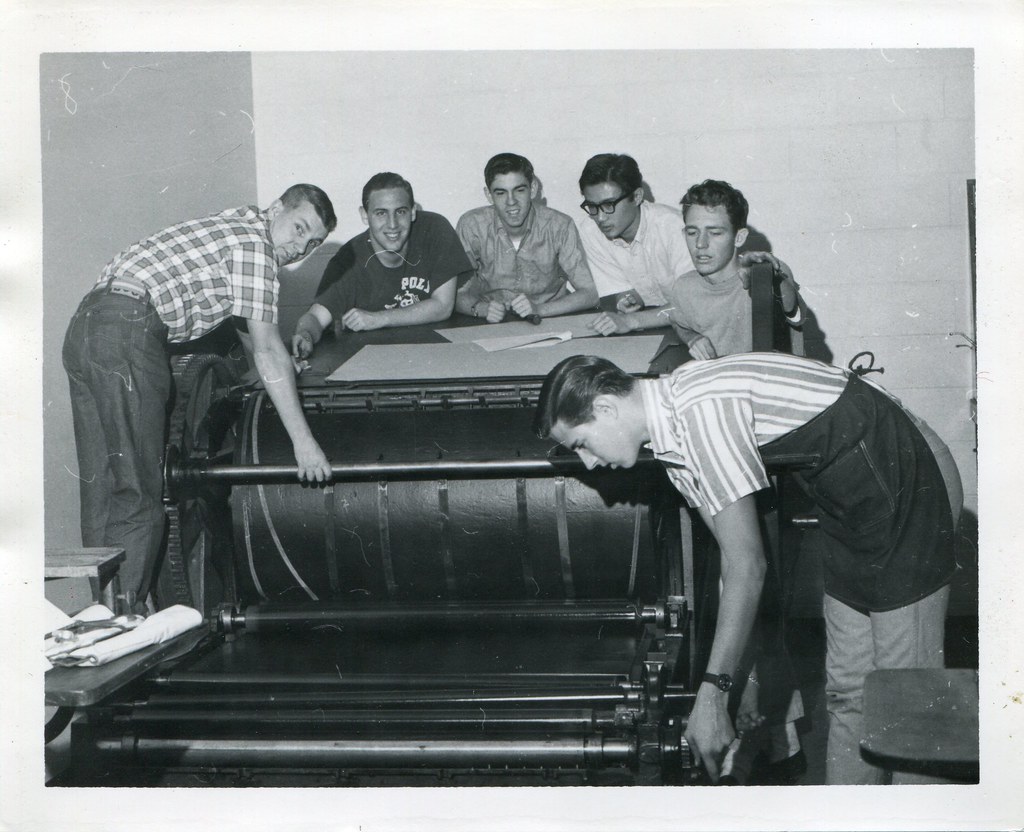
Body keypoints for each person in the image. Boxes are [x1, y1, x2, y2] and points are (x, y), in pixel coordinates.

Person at [534, 352, 961, 785]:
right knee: (850, 691)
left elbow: (748, 565)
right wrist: (743, 677)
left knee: (908, 706)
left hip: (907, 477)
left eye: (581, 444)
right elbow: (731, 559)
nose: (587, 463)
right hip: (853, 500)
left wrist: (714, 695)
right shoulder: (669, 438)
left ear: (606, 407)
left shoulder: (700, 411)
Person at [62, 184, 338, 613]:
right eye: (299, 228)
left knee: (104, 489)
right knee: (139, 491)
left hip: (87, 328)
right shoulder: (256, 246)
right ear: (277, 208)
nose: (299, 248)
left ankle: (102, 615)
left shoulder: (233, 226)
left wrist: (278, 367)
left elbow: (255, 342)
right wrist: (305, 445)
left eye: (312, 243)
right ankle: (124, 623)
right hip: (130, 334)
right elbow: (265, 351)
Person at [292, 173, 474, 359]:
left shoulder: (435, 229)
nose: (392, 224)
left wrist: (378, 318)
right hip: (381, 362)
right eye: (381, 213)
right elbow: (315, 317)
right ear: (365, 215)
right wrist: (305, 335)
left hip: (436, 356)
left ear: (413, 212)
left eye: (401, 212)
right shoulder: (347, 260)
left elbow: (443, 306)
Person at [667, 179, 804, 360]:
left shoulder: (769, 274)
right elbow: (679, 323)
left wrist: (765, 275)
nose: (700, 244)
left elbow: (794, 312)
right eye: (692, 233)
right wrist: (692, 338)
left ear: (739, 237)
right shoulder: (684, 287)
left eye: (715, 233)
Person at [455, 152, 598, 323]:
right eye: (500, 193)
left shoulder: (560, 225)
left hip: (549, 320)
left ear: (533, 189)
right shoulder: (472, 225)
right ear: (488, 195)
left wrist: (539, 310)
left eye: (519, 190)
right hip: (491, 324)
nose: (511, 201)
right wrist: (480, 309)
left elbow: (590, 294)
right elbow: (455, 294)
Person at [576, 153, 693, 335]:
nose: (600, 217)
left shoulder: (674, 227)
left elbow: (692, 305)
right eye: (592, 206)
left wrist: (630, 320)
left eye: (609, 204)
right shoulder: (590, 230)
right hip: (652, 325)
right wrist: (627, 300)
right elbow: (623, 290)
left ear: (637, 196)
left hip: (694, 323)